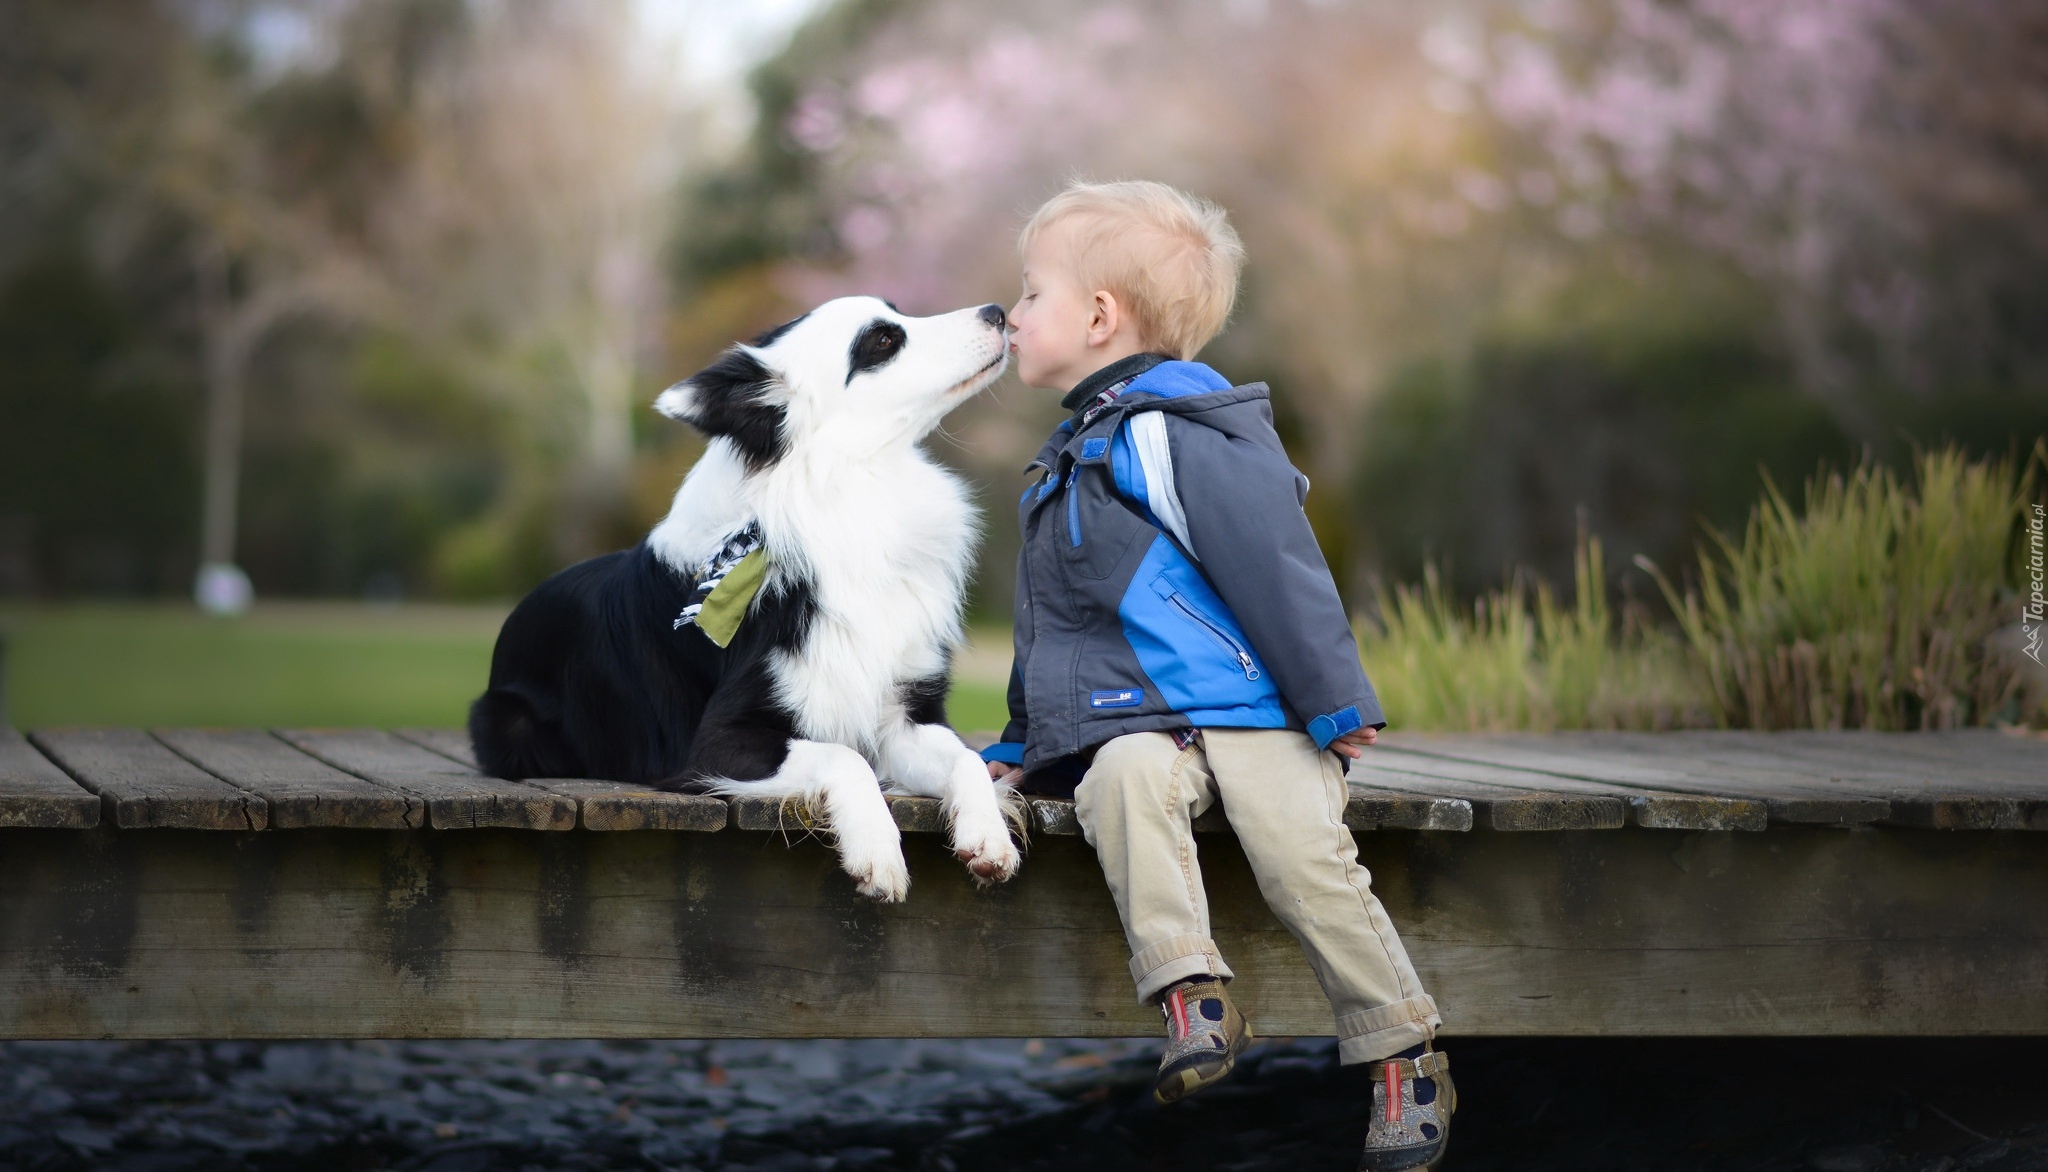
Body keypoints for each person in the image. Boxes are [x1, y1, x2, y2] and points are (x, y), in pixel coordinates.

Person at [979, 179, 1454, 1170]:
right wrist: (1019, 748)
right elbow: (1054, 629)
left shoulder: (1174, 434)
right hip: (1137, 721)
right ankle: (1190, 993)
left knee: (1301, 856)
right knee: (1118, 781)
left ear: (1100, 316)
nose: (1010, 314)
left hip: (1253, 713)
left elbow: (1275, 566)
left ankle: (1399, 1048)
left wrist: (1333, 702)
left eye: (1028, 293)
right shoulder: (1067, 455)